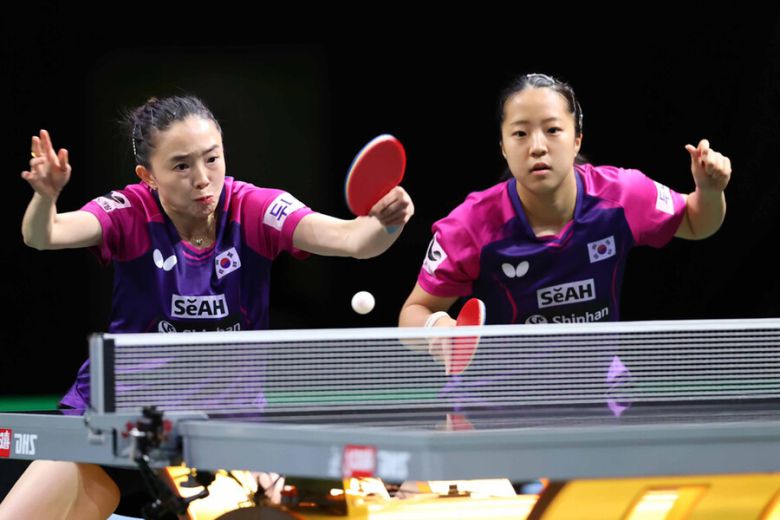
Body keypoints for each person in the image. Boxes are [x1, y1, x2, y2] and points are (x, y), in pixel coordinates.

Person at [3, 95, 414, 519]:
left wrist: (388, 222)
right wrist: (45, 198)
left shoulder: (254, 209)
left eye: (212, 159)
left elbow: (353, 240)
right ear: (148, 176)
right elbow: (44, 235)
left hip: (224, 435)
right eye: (181, 166)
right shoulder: (129, 212)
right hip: (112, 426)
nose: (202, 179)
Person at [399, 72, 731, 329]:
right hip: (497, 390)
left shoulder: (623, 195)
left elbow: (695, 222)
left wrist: (709, 191)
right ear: (503, 147)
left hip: (597, 384)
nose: (537, 147)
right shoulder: (471, 223)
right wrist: (439, 330)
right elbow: (414, 312)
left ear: (577, 140)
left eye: (553, 130)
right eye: (520, 133)